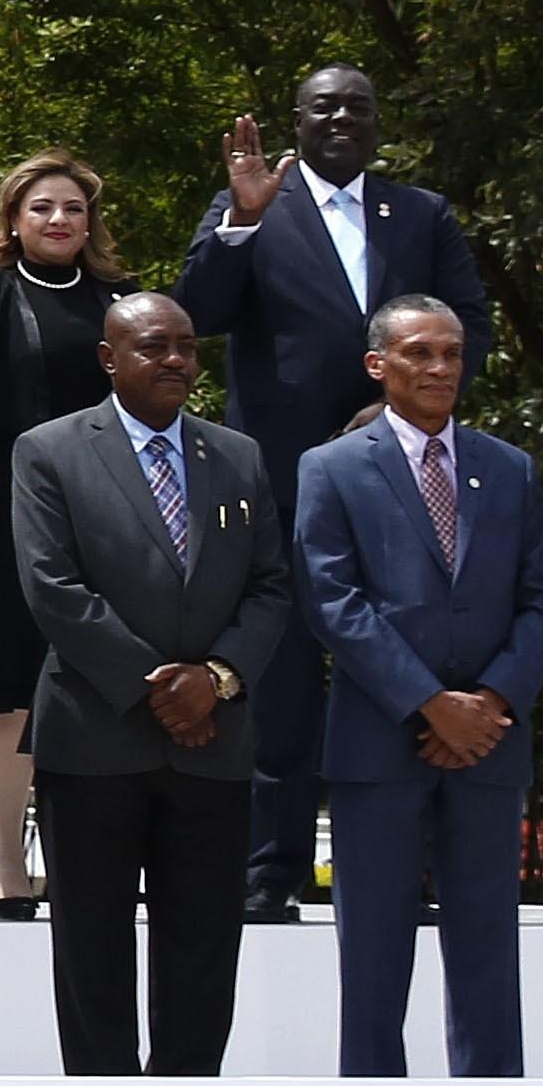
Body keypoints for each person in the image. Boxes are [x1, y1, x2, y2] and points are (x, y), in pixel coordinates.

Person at [176, 64, 492, 923]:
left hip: (400, 476)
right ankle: (268, 870)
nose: (342, 118)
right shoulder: (251, 203)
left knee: (400, 662)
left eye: (358, 104)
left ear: (377, 119)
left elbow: (473, 323)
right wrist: (240, 217)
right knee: (275, 680)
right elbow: (195, 310)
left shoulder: (419, 213)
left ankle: (405, 870)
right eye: (324, 107)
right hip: (275, 476)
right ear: (297, 121)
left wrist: (397, 402)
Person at [14, 293, 289, 1078]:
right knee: (92, 947)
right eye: (152, 347)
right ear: (109, 359)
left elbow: (271, 586)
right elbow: (51, 586)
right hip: (94, 740)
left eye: (185, 346)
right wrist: (159, 689)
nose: (174, 360)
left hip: (215, 745)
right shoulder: (49, 450)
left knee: (203, 950)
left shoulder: (237, 456)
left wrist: (217, 681)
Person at [295, 296, 543, 1078]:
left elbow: (542, 597)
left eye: (451, 352)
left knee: (486, 946)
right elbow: (331, 600)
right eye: (419, 352)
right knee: (374, 953)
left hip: (489, 744)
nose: (440, 367)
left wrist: (493, 702)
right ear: (378, 365)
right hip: (379, 744)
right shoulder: (333, 467)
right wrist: (430, 704)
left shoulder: (506, 467)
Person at [0, 151, 119, 925]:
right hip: (0, 507)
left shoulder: (120, 298)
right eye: (42, 208)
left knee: (90, 682)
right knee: (5, 688)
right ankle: (8, 859)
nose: (58, 221)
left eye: (72, 208)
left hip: (101, 512)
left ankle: (86, 862)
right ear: (14, 218)